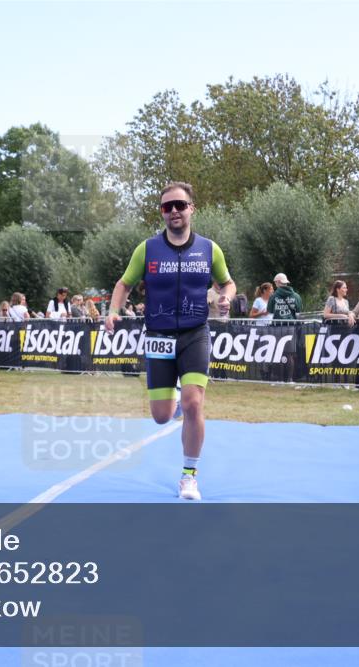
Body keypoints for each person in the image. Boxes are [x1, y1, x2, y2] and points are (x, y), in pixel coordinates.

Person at [105, 181, 235, 501]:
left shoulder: (209, 248)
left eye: (179, 205)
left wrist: (225, 298)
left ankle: (189, 476)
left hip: (195, 334)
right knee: (162, 416)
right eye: (167, 207)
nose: (174, 211)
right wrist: (112, 311)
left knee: (194, 404)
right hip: (159, 336)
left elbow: (227, 283)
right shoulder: (147, 249)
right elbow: (124, 284)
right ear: (162, 213)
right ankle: (173, 398)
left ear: (191, 208)